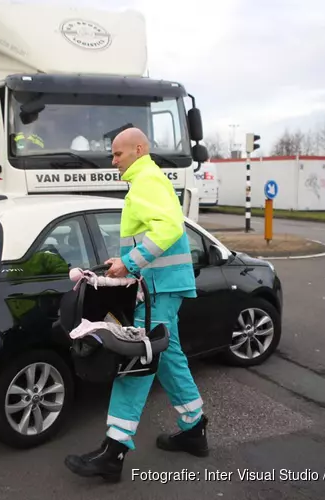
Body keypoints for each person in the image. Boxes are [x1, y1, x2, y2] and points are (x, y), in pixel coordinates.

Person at [64, 127, 208, 482]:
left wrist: (131, 263)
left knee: (138, 358)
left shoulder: (146, 180)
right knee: (165, 354)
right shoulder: (147, 180)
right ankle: (194, 427)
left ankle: (113, 451)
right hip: (162, 284)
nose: (113, 161)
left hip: (159, 286)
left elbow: (170, 228)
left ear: (139, 149)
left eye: (117, 154)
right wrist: (126, 260)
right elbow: (156, 233)